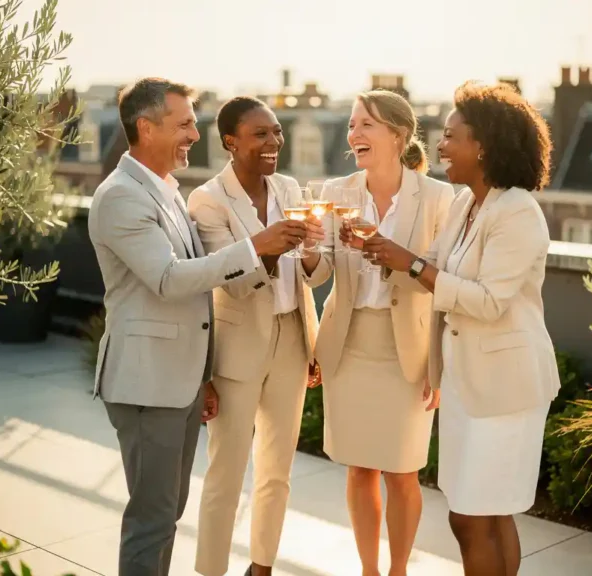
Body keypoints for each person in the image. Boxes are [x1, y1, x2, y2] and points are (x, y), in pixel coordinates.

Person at [87, 79, 308, 576]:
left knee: (167, 513)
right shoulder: (121, 196)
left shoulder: (165, 191)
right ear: (146, 128)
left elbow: (199, 297)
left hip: (179, 379)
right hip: (148, 382)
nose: (193, 133)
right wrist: (258, 247)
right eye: (184, 123)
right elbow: (170, 279)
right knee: (152, 519)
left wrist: (204, 375)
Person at [362, 81, 561, 576]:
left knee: (474, 517)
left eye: (452, 136)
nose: (441, 146)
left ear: (484, 145)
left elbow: (488, 302)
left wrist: (410, 263)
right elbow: (430, 269)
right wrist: (377, 247)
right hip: (466, 385)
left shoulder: (517, 212)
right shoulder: (464, 204)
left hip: (504, 390)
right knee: (484, 514)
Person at [188, 96, 332, 576]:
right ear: (230, 142)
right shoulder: (208, 200)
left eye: (277, 132)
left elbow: (315, 276)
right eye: (261, 134)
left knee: (277, 472)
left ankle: (262, 567)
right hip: (238, 347)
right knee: (226, 473)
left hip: (292, 338)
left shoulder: (290, 188)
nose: (274, 142)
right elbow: (229, 282)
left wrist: (309, 252)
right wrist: (268, 247)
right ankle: (211, 570)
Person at [314, 89, 454, 576]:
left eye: (366, 125)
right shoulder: (336, 192)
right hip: (349, 345)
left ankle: (398, 571)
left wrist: (437, 364)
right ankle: (369, 571)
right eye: (352, 125)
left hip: (407, 352)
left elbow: (440, 284)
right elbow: (319, 273)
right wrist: (309, 251)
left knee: (402, 471)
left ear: (398, 135)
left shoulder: (438, 197)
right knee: (359, 467)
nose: (354, 133)